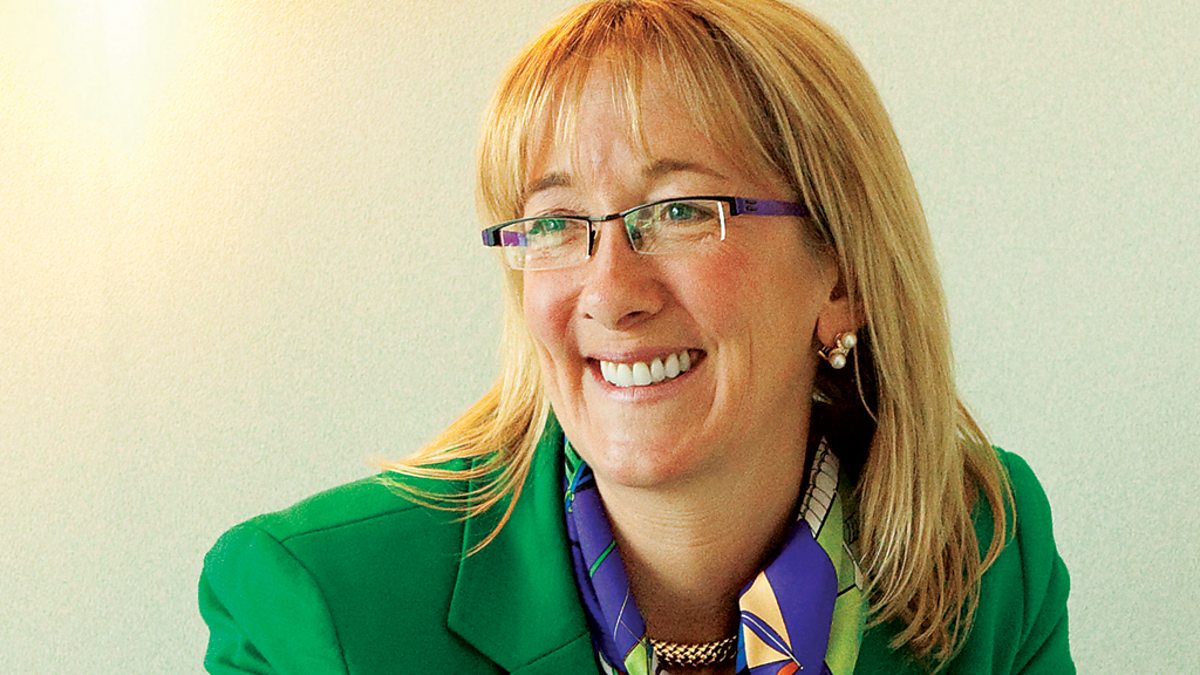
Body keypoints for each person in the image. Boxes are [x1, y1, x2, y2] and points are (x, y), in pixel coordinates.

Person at [199, 1, 1072, 673]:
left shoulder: (987, 552)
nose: (611, 293)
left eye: (681, 211)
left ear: (842, 279)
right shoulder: (318, 610)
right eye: (555, 223)